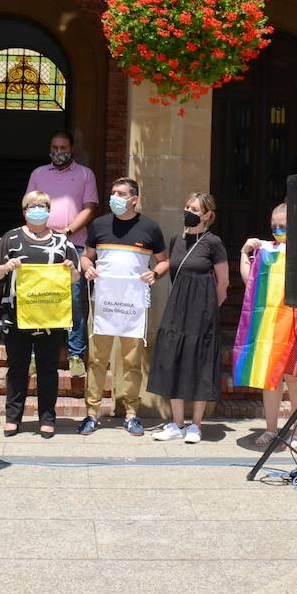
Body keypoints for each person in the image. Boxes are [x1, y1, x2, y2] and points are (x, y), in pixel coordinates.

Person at [78, 177, 168, 436]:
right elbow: (86, 256)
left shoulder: (149, 228)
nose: (115, 197)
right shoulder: (99, 225)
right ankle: (91, 414)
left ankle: (131, 414)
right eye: (113, 192)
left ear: (134, 199)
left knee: (132, 361)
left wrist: (155, 274)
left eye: (121, 193)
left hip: (133, 305)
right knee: (96, 359)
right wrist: (88, 268)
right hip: (103, 303)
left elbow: (163, 261)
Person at [0, 191, 81, 437]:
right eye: (32, 205)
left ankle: (47, 418)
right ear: (24, 210)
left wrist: (71, 269)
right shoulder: (10, 238)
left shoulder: (63, 242)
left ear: (50, 211)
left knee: (48, 368)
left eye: (42, 205)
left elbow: (76, 277)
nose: (37, 209)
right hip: (17, 313)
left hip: (50, 315)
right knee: (17, 366)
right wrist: (7, 267)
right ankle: (12, 418)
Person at [149, 193, 228, 443]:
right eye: (186, 206)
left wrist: (209, 307)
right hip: (177, 308)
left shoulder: (213, 243)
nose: (188, 211)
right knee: (174, 358)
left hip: (202, 310)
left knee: (200, 362)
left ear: (207, 215)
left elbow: (224, 282)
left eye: (193, 208)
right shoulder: (177, 239)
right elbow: (174, 273)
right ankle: (177, 423)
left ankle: (196, 425)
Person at [240, 203, 297, 448]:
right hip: (271, 324)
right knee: (270, 378)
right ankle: (271, 429)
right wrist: (244, 254)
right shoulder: (267, 251)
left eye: (283, 225)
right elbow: (249, 282)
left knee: (295, 380)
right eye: (274, 225)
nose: (277, 230)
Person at [26, 130, 98, 378]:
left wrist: (66, 231)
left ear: (72, 148)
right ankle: (37, 354)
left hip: (74, 245)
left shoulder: (85, 174)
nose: (59, 152)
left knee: (76, 301)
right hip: (40, 244)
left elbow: (90, 208)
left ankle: (75, 354)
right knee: (40, 297)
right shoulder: (38, 174)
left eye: (63, 147)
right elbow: (29, 205)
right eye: (54, 147)